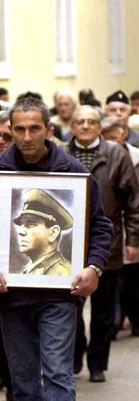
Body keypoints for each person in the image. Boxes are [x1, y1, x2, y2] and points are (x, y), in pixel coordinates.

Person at [0, 96, 112, 401]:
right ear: (9, 131)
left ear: (49, 130)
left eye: (35, 128)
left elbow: (100, 228)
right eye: (20, 129)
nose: (27, 136)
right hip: (11, 296)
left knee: (58, 373)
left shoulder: (72, 172)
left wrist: (93, 268)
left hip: (58, 295)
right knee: (24, 380)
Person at [65, 106, 139, 382]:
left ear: (99, 126)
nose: (85, 126)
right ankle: (74, 356)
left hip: (107, 241)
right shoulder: (61, 152)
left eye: (90, 122)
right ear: (71, 127)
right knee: (70, 306)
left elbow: (133, 204)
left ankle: (97, 363)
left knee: (104, 310)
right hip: (67, 242)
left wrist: (133, 240)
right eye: (79, 122)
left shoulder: (116, 154)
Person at [12, 189, 73, 275]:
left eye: (30, 225)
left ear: (53, 233)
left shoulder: (65, 273)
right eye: (21, 225)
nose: (21, 232)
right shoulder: (28, 271)